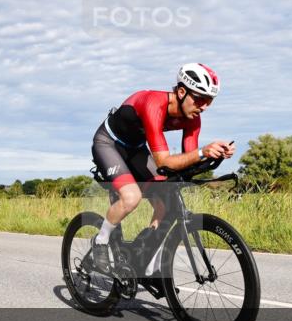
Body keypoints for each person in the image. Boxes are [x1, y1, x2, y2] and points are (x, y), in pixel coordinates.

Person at [89, 63, 235, 272]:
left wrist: (216, 154)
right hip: (109, 143)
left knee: (166, 200)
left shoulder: (193, 118)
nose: (204, 107)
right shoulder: (153, 104)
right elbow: (164, 162)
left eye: (209, 102)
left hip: (136, 148)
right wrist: (203, 151)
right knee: (131, 198)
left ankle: (145, 255)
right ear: (182, 91)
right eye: (200, 99)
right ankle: (101, 241)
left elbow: (188, 158)